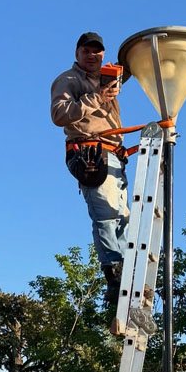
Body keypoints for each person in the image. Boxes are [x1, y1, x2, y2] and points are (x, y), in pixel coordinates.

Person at [51, 31, 129, 304]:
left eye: (97, 51)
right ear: (77, 53)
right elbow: (59, 114)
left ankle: (127, 271)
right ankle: (115, 275)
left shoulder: (107, 80)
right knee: (106, 214)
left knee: (122, 217)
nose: (92, 55)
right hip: (91, 153)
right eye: (87, 50)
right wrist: (96, 97)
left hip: (115, 155)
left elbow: (132, 67)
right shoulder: (69, 80)